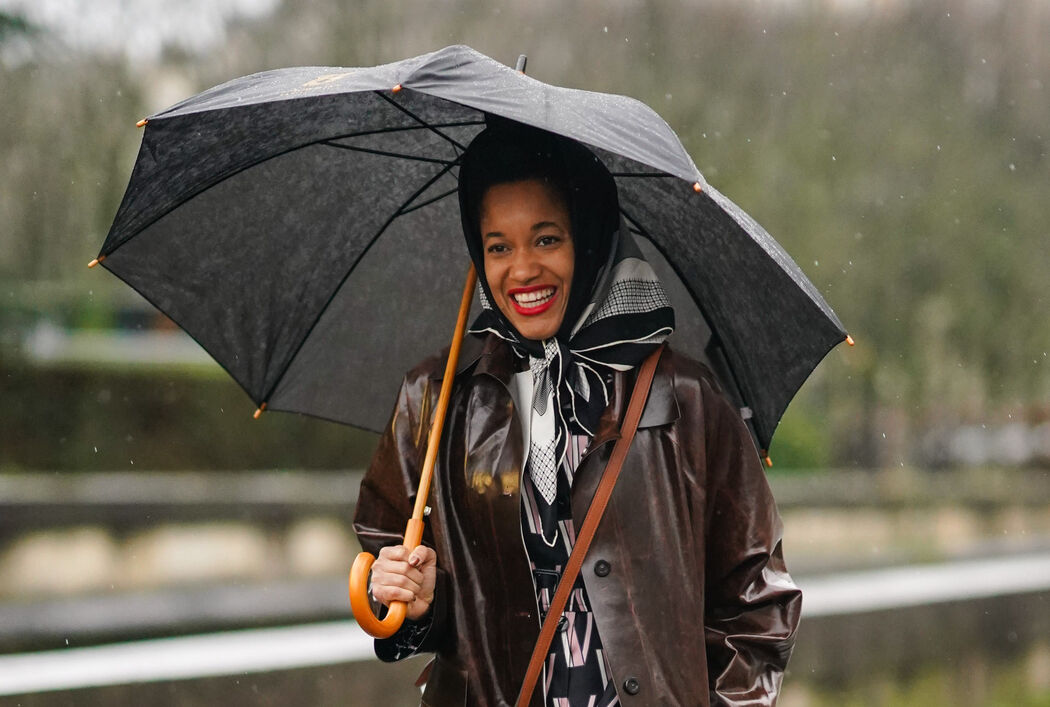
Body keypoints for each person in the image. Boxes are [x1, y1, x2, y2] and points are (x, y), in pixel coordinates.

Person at [353, 121, 801, 706]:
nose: (521, 270)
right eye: (498, 246)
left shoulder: (686, 399)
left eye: (546, 239)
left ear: (587, 240)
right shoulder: (436, 399)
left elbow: (757, 606)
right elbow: (403, 577)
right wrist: (413, 602)